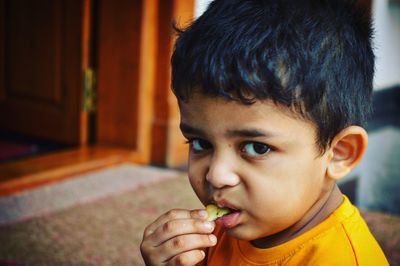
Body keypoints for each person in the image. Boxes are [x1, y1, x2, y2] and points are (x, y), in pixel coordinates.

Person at [140, 0, 389, 265]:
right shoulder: (220, 231)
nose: (217, 175)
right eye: (201, 143)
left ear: (339, 153)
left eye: (256, 147)